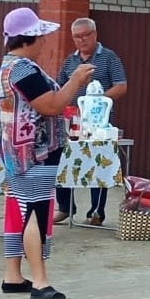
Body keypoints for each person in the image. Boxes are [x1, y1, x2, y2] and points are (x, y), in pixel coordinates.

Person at [0, 7, 95, 299]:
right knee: (36, 212)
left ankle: (13, 275)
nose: (45, 42)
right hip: (34, 152)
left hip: (17, 150)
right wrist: (75, 80)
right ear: (28, 39)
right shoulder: (24, 68)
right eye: (41, 36)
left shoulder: (7, 67)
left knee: (19, 209)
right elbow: (51, 105)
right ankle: (40, 282)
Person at [53, 17, 127, 226]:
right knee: (63, 160)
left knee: (99, 163)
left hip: (99, 125)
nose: (82, 40)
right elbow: (58, 88)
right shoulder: (70, 61)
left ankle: (96, 212)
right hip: (72, 122)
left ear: (95, 34)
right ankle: (65, 207)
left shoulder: (109, 58)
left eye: (86, 35)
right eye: (77, 37)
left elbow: (121, 86)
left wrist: (98, 102)